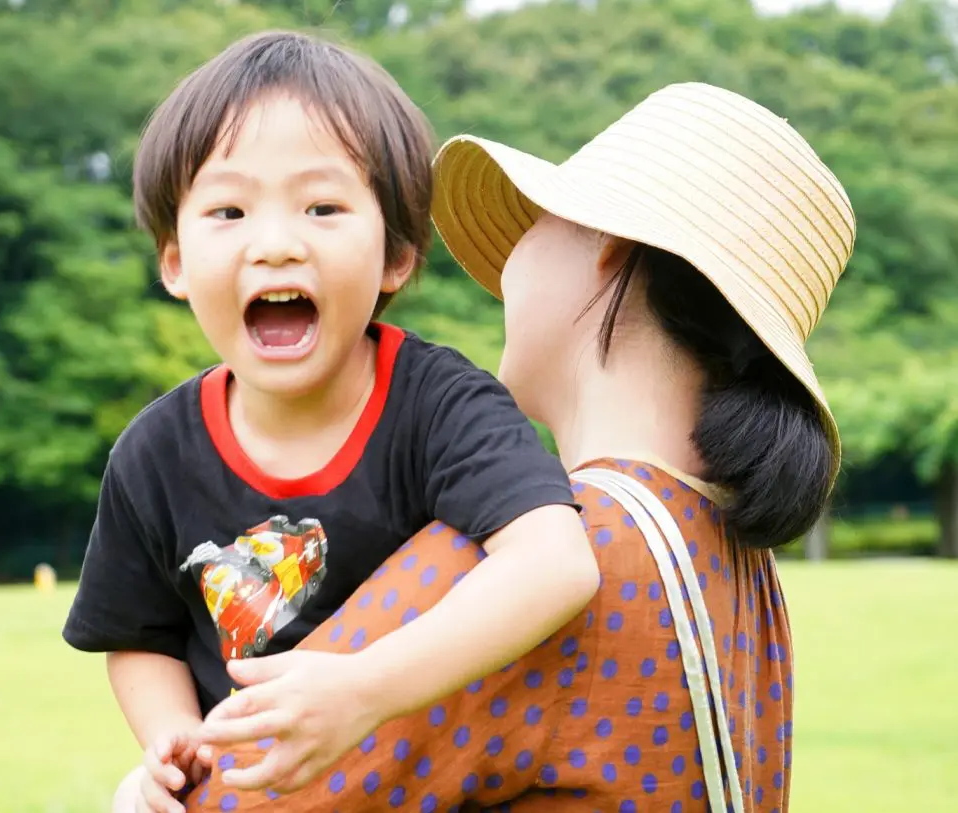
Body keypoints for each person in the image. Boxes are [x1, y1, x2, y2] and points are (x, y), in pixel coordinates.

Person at [185, 81, 854, 812]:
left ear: (609, 249)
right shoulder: (735, 562)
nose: (511, 260)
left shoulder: (536, 561)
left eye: (536, 216)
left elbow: (234, 792)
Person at [60, 29, 602, 813]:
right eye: (229, 210)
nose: (276, 245)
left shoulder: (442, 406)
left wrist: (363, 690)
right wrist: (173, 737)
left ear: (397, 255)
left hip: (425, 783)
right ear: (174, 259)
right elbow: (138, 636)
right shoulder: (152, 453)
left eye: (322, 206)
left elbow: (556, 563)